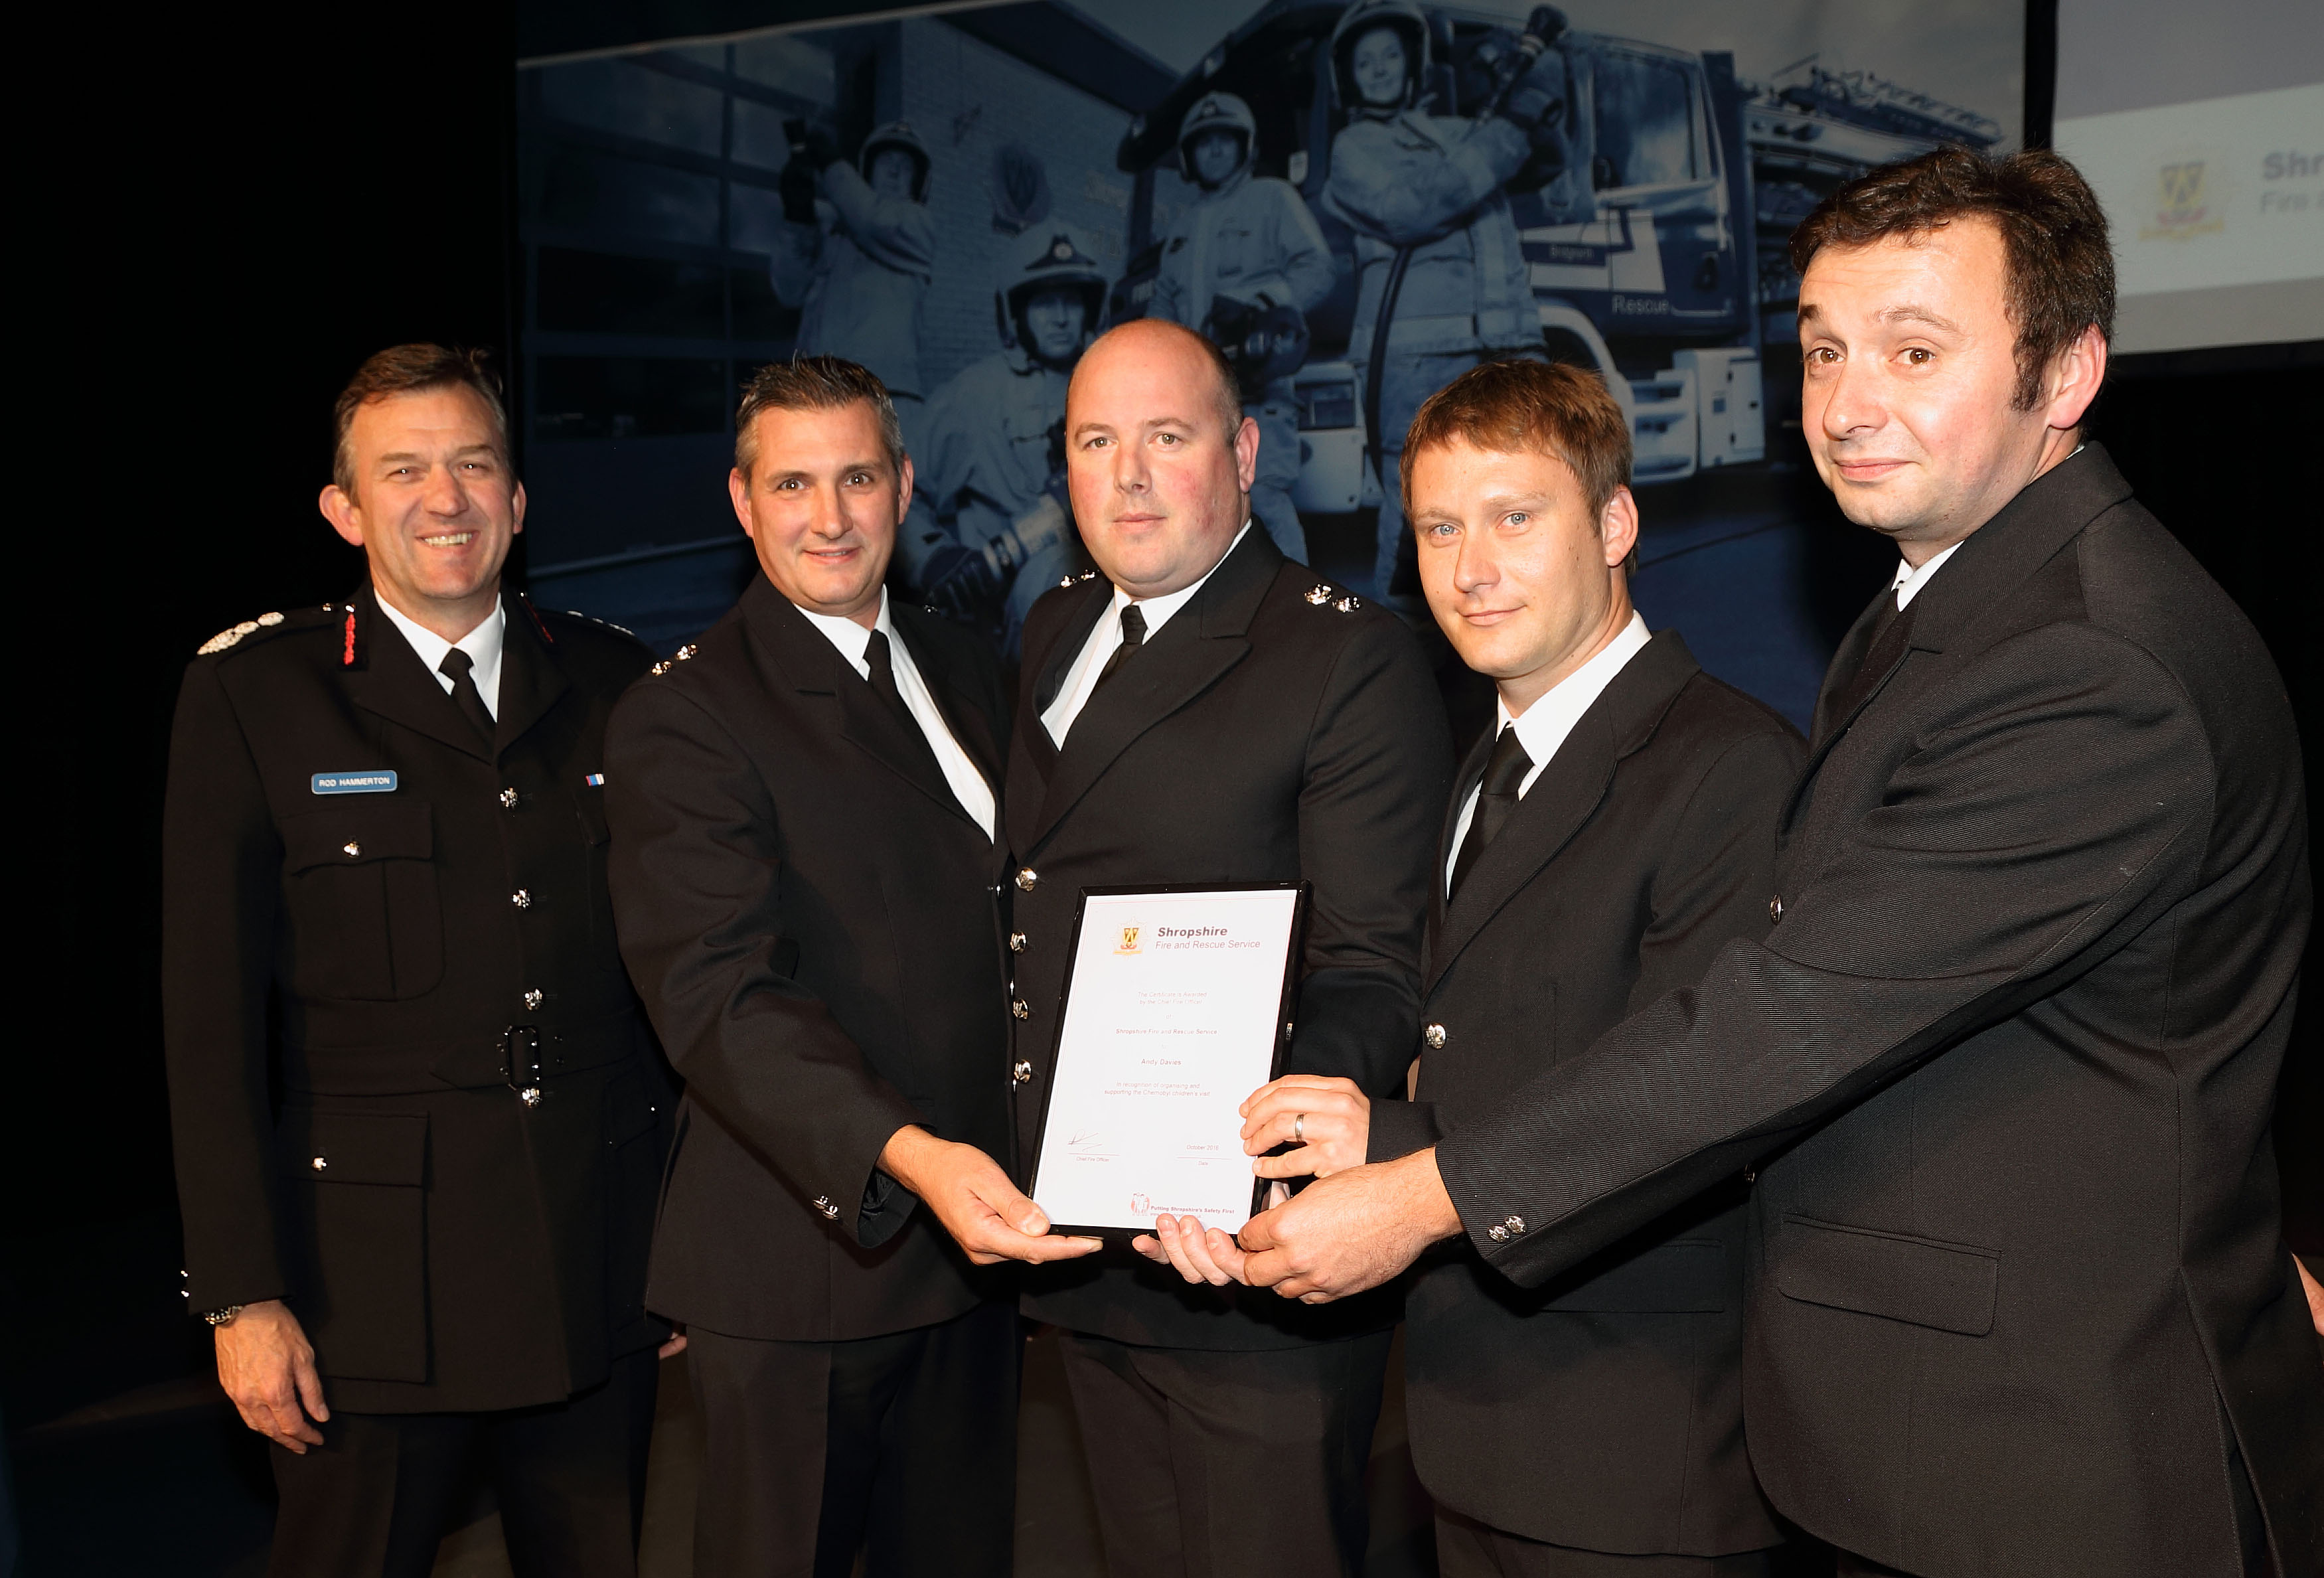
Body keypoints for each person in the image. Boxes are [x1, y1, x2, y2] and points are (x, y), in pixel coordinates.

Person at [1222, 147, 2324, 1576]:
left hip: (2048, 1455)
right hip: (1932, 1434)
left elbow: (1786, 1016)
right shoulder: (1943, 613)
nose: (1849, 403)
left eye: (1913, 351)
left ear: (2064, 376)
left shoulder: (2087, 668)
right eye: (1822, 350)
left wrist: (1424, 1191)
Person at [1198, 358, 1804, 1575]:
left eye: (1515, 518)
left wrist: (1400, 1173)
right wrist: (1342, 1140)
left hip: (1643, 1457)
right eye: (1437, 527)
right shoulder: (1484, 767)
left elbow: (1682, 1112)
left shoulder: (1731, 765)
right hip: (1480, 1440)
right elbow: (1491, 1054)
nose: (1470, 568)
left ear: (1617, 522)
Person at [162, 344, 670, 1577]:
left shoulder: (617, 683)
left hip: (590, 1264)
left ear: (518, 498)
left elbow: (676, 981)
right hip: (367, 1291)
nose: (444, 499)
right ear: (345, 509)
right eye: (404, 470)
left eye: (473, 463)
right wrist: (242, 1295)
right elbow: (207, 1022)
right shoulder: (257, 695)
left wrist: (680, 1247)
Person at [973, 317, 1451, 1578]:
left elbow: (1374, 969)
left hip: (1245, 1260)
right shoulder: (1054, 628)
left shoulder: (1345, 654)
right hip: (1084, 1244)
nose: (1126, 475)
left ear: (1243, 452)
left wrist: (1250, 1164)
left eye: (1166, 438)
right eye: (1094, 441)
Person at [603, 357, 1063, 1578]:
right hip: (809, 1260)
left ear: (905, 486)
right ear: (743, 501)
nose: (830, 516)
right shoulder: (687, 713)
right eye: (793, 483)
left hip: (976, 1249)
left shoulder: (967, 661)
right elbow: (720, 998)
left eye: (857, 476)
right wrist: (913, 1155)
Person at [1322, 0, 1561, 605]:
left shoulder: (1460, 132)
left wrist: (1534, 100)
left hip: (1502, 348)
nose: (1378, 69)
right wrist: (1508, 129)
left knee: (1511, 511)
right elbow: (1414, 206)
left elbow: (1545, 161)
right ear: (1347, 76)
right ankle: (1398, 676)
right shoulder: (1353, 149)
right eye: (1365, 60)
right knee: (1417, 530)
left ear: (1413, 65)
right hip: (1411, 369)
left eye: (1390, 56)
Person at [900, 224, 1113, 656]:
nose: (1059, 317)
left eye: (1070, 301)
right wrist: (935, 558)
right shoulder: (975, 395)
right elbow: (894, 487)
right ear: (1015, 313)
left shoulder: (1111, 386)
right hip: (1016, 605)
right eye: (1043, 302)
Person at [1146, 90, 1335, 563]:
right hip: (1196, 394)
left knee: (1265, 499)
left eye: (1224, 141)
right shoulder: (1182, 228)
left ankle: (1300, 618)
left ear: (1244, 147)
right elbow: (1161, 309)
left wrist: (1262, 305)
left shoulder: (1272, 198)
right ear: (1188, 157)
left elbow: (1318, 268)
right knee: (1201, 507)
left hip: (1258, 384)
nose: (1213, 151)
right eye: (1203, 142)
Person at [774, 122, 937, 449]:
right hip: (817, 397)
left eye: (905, 166)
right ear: (868, 169)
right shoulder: (834, 229)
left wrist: (832, 165)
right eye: (885, 160)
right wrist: (797, 218)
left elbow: (871, 219)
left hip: (886, 397)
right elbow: (788, 290)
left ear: (919, 181)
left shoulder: (916, 226)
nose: (894, 170)